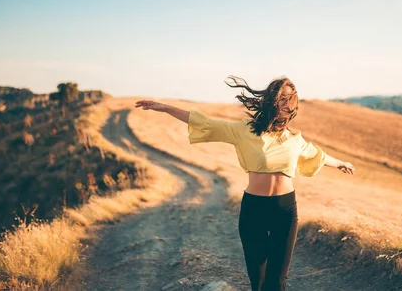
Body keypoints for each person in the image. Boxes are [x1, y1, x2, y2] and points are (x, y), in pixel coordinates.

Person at [134, 75, 356, 291]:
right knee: (258, 283)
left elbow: (318, 155)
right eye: (283, 98)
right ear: (272, 100)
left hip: (285, 211)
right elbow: (206, 123)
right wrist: (165, 108)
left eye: (291, 99)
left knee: (276, 283)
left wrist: (341, 162)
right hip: (254, 209)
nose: (288, 104)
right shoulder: (244, 130)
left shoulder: (294, 139)